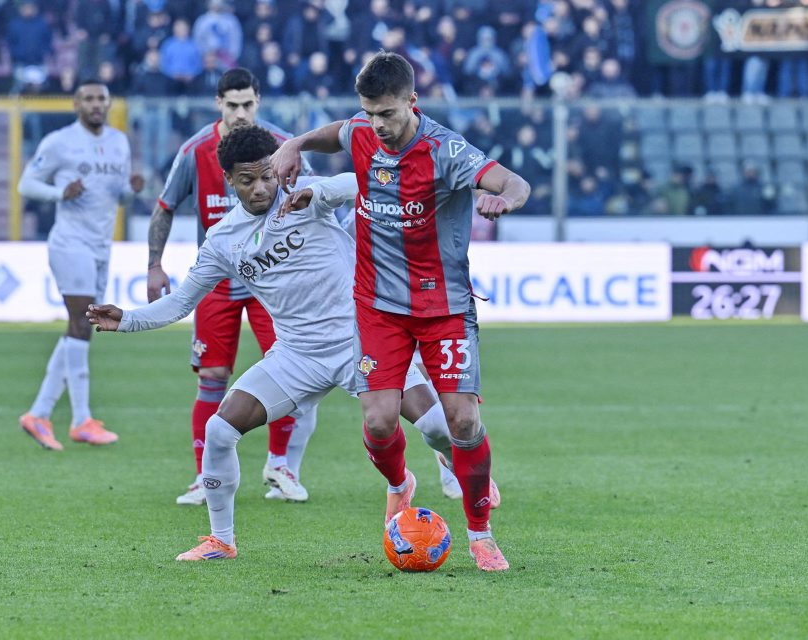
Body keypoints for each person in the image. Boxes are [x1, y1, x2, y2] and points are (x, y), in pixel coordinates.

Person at [86, 125, 486, 561]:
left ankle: (461, 478)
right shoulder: (223, 240)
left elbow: (367, 183)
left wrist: (321, 191)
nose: (260, 188)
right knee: (220, 430)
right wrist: (126, 320)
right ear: (229, 180)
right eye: (247, 180)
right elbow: (181, 301)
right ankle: (221, 540)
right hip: (297, 355)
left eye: (266, 176)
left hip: (362, 340)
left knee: (437, 428)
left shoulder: (306, 196)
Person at [271, 52, 530, 571]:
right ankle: (399, 483)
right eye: (370, 113)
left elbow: (514, 182)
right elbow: (338, 132)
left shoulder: (446, 150)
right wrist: (295, 143)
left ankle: (481, 535)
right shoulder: (363, 132)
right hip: (378, 306)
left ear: (412, 102)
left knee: (462, 420)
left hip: (444, 307)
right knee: (379, 420)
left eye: (387, 113)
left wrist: (504, 200)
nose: (377, 125)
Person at [146, 68, 314, 505]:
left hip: (272, 280)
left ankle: (279, 466)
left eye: (248, 104)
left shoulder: (283, 145)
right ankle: (206, 478)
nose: (241, 113)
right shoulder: (195, 151)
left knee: (289, 370)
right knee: (213, 377)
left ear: (258, 102)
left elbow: (315, 201)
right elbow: (165, 207)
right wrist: (155, 265)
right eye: (232, 105)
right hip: (217, 280)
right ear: (218, 103)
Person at [17, 79, 144, 450]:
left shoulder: (119, 142)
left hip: (101, 245)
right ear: (76, 104)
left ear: (108, 103)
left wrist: (130, 190)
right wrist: (60, 192)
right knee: (84, 321)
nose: (96, 104)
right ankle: (81, 419)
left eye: (101, 98)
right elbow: (26, 184)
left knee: (79, 326)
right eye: (88, 99)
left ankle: (39, 414)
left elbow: (117, 196)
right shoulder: (59, 142)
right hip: (70, 243)